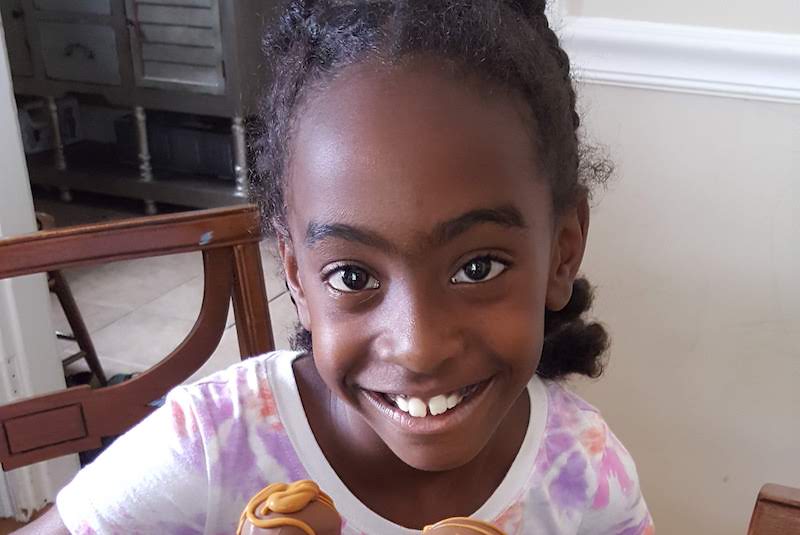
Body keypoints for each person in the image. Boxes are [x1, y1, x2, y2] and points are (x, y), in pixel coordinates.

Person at [22, 1, 654, 533]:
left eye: (479, 267)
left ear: (563, 250)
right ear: (296, 275)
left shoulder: (585, 475)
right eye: (353, 277)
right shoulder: (211, 447)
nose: (419, 348)